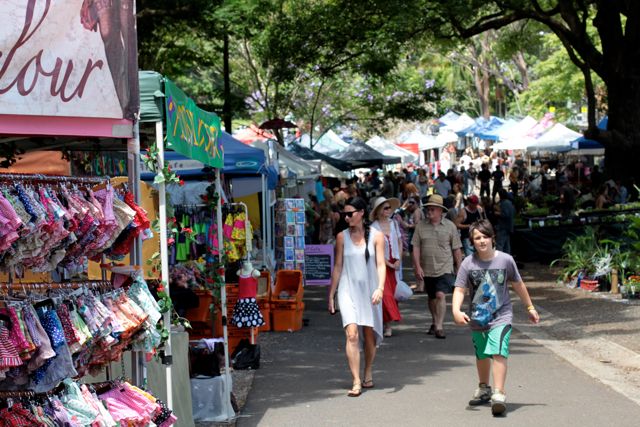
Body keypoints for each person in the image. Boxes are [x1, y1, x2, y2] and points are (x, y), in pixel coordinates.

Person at [452, 220, 539, 416]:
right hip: (477, 317)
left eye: (485, 236)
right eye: (477, 238)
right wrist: (456, 310)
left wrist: (530, 307)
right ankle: (484, 388)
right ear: (472, 241)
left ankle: (499, 393)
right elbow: (459, 289)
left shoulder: (506, 260)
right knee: (482, 354)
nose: (482, 241)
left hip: (502, 315)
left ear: (492, 238)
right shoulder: (468, 263)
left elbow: (518, 284)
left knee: (499, 350)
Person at [328, 197, 386, 397]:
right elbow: (337, 266)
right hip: (347, 289)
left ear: (361, 213)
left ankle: (367, 370)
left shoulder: (377, 236)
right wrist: (331, 294)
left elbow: (381, 264)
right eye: (344, 214)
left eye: (350, 213)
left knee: (369, 335)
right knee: (352, 334)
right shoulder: (342, 237)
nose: (346, 217)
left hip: (369, 290)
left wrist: (380, 287)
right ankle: (356, 380)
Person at [412, 194, 463, 339]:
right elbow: (415, 247)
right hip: (427, 268)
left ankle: (439, 326)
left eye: (433, 209)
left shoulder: (450, 226)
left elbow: (457, 249)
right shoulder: (421, 226)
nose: (429, 212)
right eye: (428, 209)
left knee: (441, 295)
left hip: (445, 267)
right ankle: (434, 321)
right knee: (432, 297)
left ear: (441, 211)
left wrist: (459, 267)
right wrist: (417, 266)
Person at [370, 197, 403, 338]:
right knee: (385, 295)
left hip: (395, 264)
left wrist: (399, 259)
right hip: (381, 265)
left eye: (389, 207)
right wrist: (388, 263)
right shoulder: (373, 227)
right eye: (385, 208)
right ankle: (387, 325)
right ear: (378, 211)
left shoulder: (394, 223)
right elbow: (374, 249)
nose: (389, 210)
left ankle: (386, 322)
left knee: (394, 296)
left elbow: (400, 241)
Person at [231, 261, 265, 329]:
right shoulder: (239, 272)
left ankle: (251, 336)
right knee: (241, 318)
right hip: (241, 300)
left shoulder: (255, 272)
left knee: (251, 318)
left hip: (250, 300)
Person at [494, 189, 515, 254]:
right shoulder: (509, 202)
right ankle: (507, 258)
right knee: (506, 245)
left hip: (503, 227)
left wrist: (497, 213)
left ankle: (499, 259)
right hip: (508, 226)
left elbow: (506, 214)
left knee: (500, 244)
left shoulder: (504, 203)